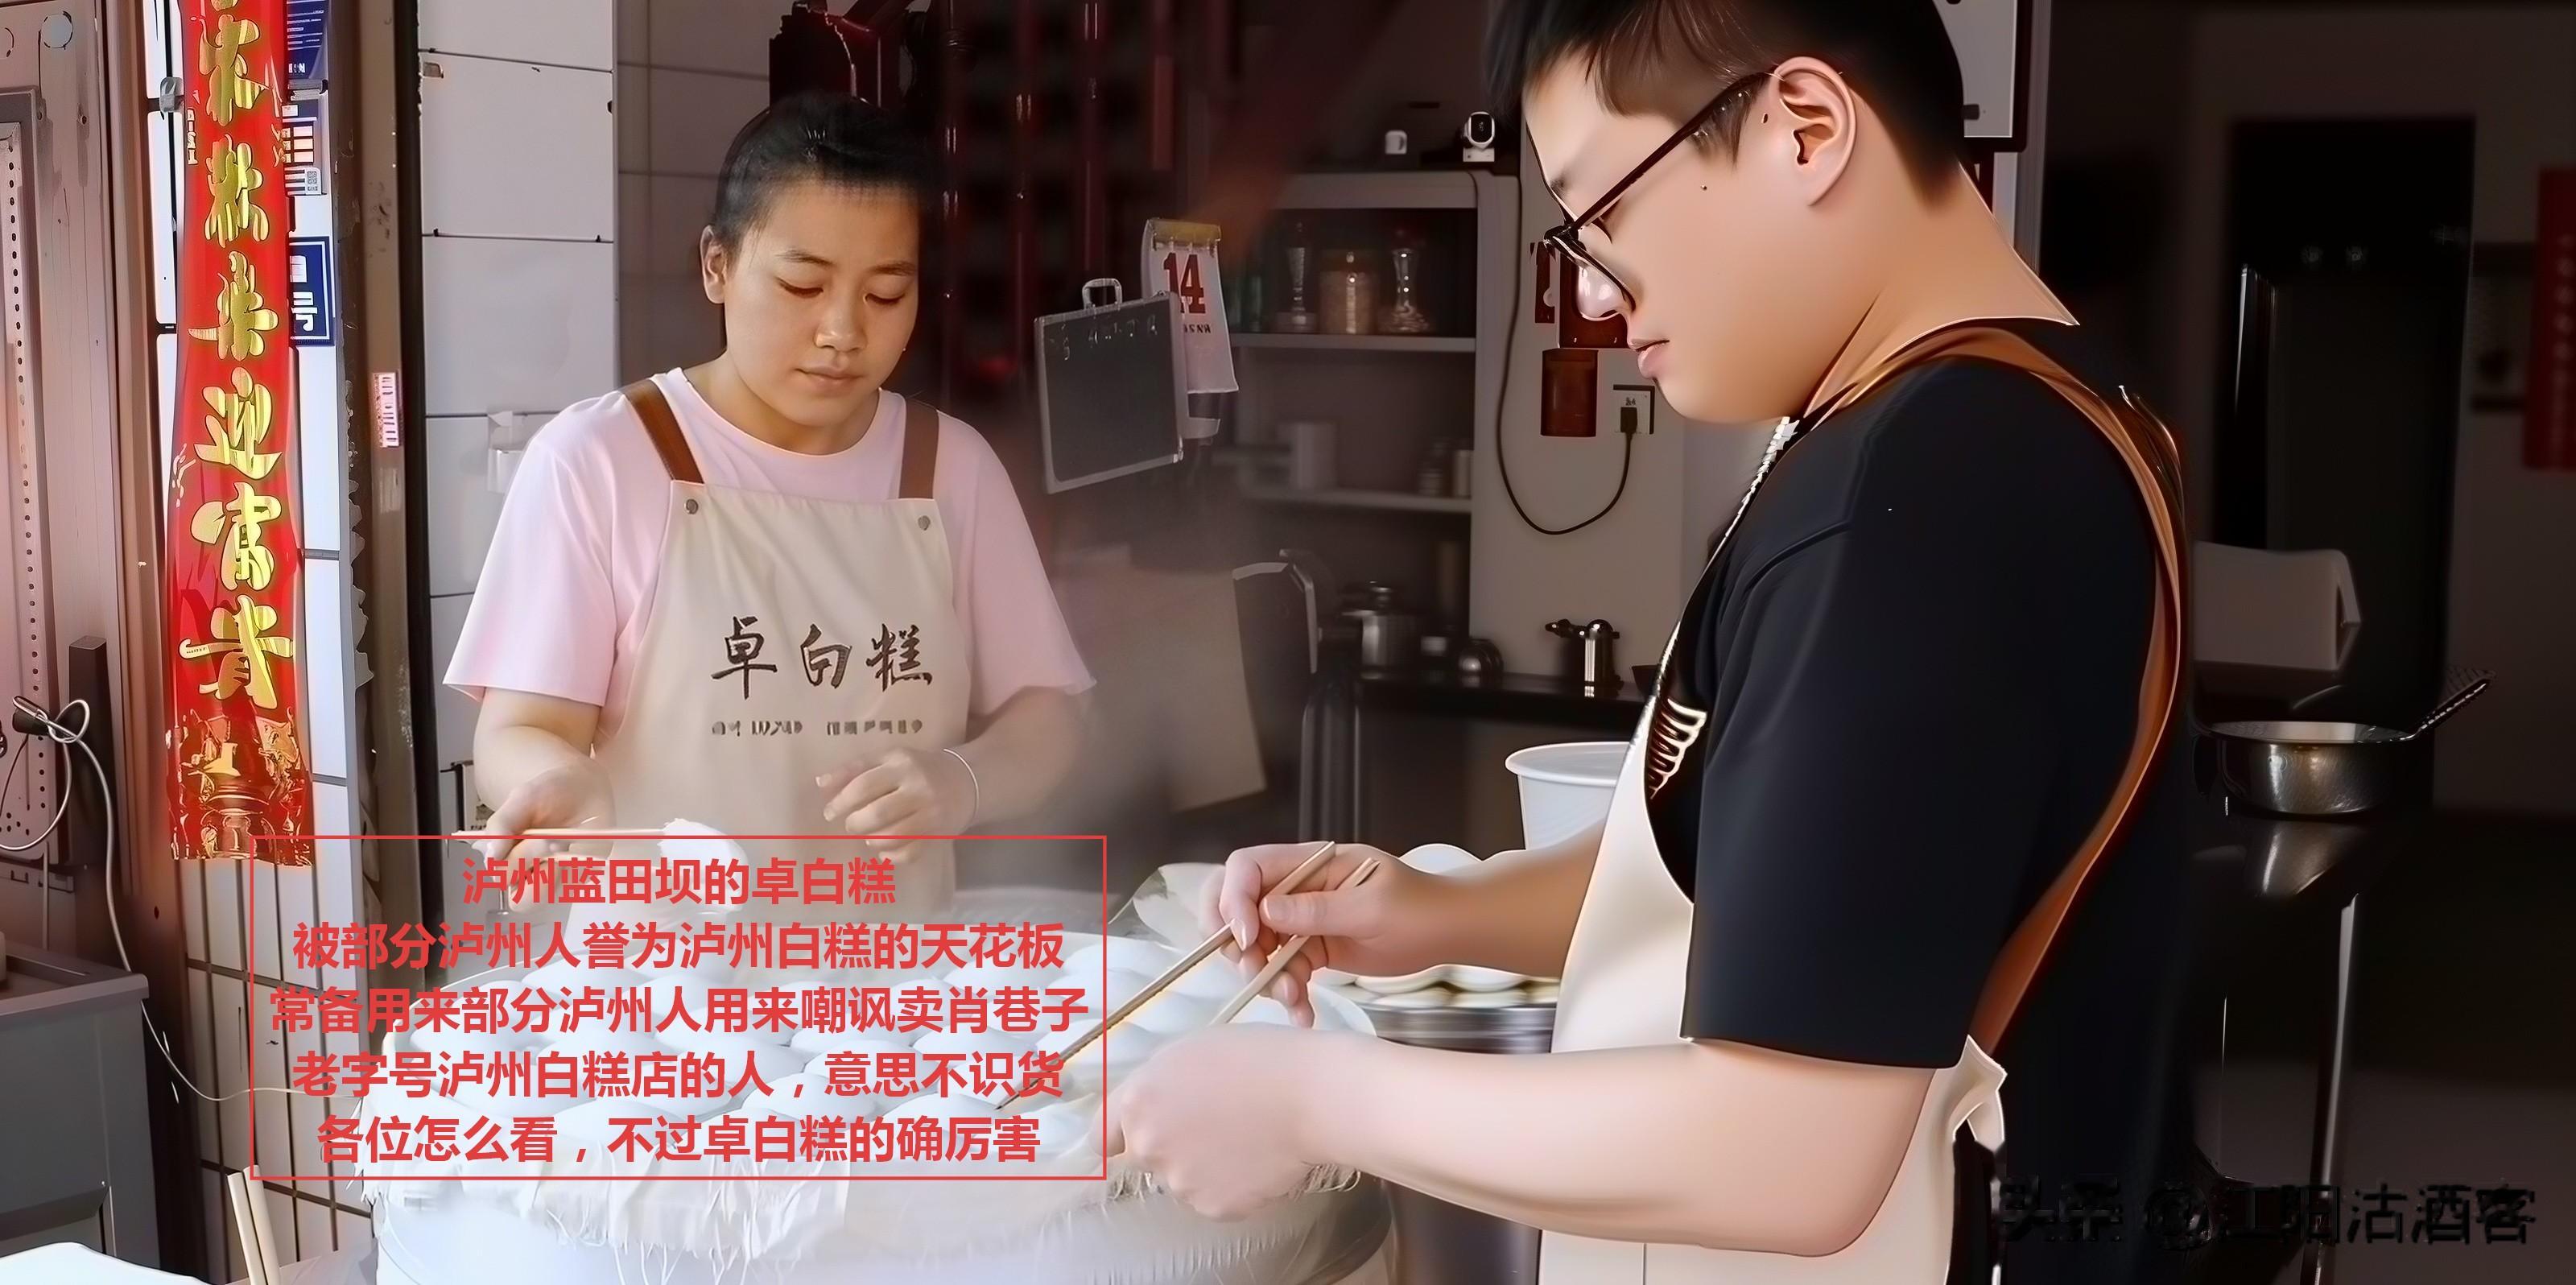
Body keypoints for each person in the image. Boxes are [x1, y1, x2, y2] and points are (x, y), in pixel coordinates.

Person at [1103, 4, 2192, 1283]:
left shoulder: (1921, 494)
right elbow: (1790, 882)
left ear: (1803, 129)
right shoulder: (2022, 418)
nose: (1587, 289)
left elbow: (1790, 1148)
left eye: (1601, 213)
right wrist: (1442, 912)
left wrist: (1311, 1102)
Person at [449, 93, 1092, 925]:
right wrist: (562, 778)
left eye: (885, 295)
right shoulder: (601, 459)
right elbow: (519, 727)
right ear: (716, 266)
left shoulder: (950, 469)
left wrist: (962, 780)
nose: (842, 331)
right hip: (662, 981)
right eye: (802, 285)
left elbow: (1048, 717)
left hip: (892, 981)